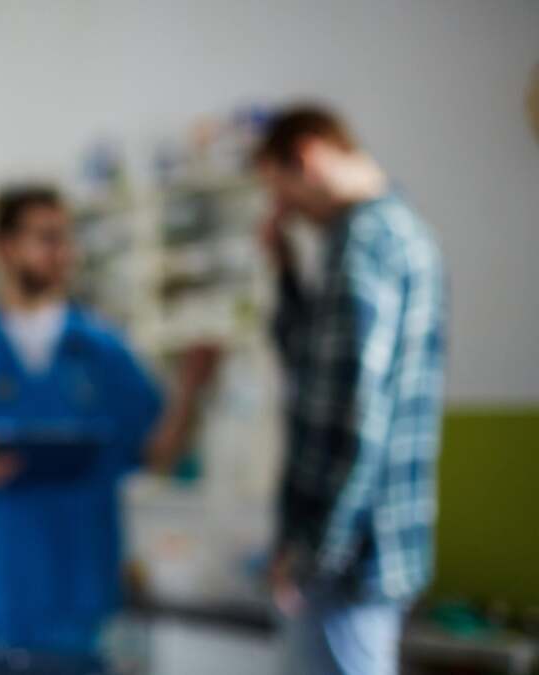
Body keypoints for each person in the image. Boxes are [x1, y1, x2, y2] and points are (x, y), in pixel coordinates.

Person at [0, 185, 217, 672]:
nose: (63, 252)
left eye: (67, 239)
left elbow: (157, 454)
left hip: (75, 623)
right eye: (47, 238)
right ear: (5, 247)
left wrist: (192, 389)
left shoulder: (104, 351)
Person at [253, 105, 447, 675]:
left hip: (348, 560)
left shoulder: (362, 242)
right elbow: (314, 369)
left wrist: (312, 554)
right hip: (377, 551)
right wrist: (286, 271)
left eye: (282, 192)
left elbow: (357, 419)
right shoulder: (404, 232)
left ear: (309, 157)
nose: (284, 212)